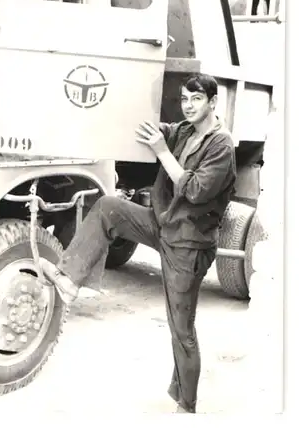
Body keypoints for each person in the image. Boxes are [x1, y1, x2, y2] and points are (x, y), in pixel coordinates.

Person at [41, 73, 237, 414]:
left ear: (213, 102)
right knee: (109, 207)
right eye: (184, 100)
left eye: (196, 100)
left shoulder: (222, 145)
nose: (188, 106)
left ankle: (186, 405)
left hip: (189, 244)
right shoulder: (186, 131)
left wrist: (162, 152)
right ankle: (70, 279)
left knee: (181, 329)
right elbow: (163, 130)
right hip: (162, 225)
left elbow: (194, 190)